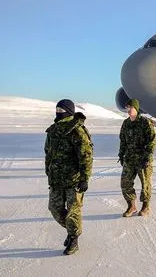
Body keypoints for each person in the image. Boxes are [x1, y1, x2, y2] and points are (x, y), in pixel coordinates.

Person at [45, 99, 93, 255]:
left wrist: (85, 178)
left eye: (61, 110)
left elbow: (86, 156)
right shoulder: (53, 130)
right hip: (56, 179)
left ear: (69, 111)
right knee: (55, 209)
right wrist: (48, 170)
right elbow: (48, 153)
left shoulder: (77, 130)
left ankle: (73, 239)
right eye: (57, 110)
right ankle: (73, 231)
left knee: (73, 211)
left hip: (74, 180)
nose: (58, 113)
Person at [118, 99, 156, 217]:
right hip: (129, 158)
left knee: (145, 183)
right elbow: (123, 141)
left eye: (131, 107)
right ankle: (132, 206)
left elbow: (152, 141)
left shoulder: (145, 122)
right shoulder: (126, 123)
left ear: (136, 108)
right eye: (127, 107)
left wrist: (147, 157)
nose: (129, 110)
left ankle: (146, 206)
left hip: (142, 159)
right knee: (125, 183)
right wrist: (121, 154)